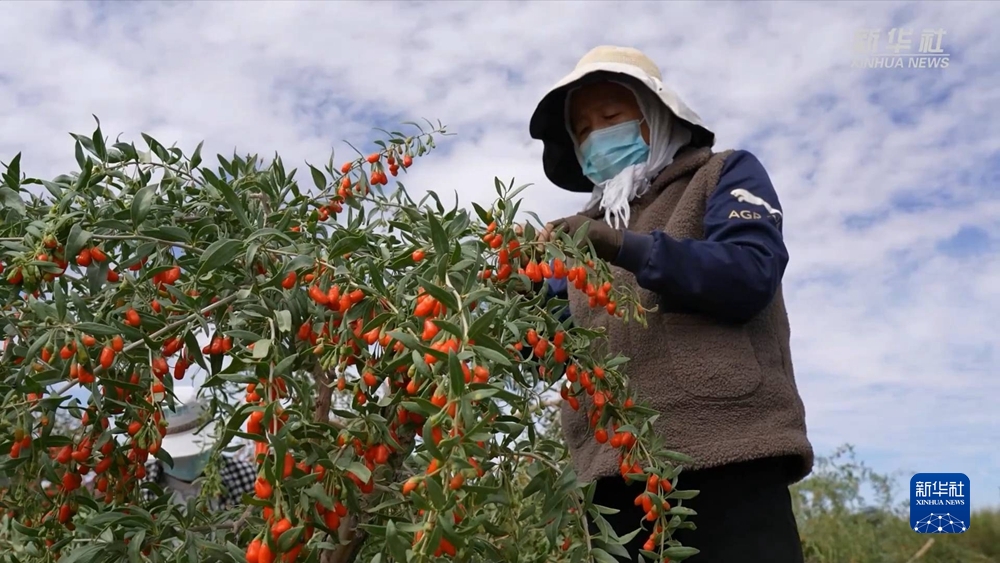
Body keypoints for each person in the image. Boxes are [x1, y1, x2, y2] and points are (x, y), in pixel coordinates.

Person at [527, 45, 813, 562]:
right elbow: (547, 350)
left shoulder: (722, 175)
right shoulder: (581, 235)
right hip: (611, 483)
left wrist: (622, 246)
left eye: (610, 116)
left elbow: (750, 274)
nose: (595, 136)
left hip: (730, 461)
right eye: (583, 129)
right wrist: (512, 296)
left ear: (655, 115)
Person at [139, 385, 256, 510]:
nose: (187, 457)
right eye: (179, 453)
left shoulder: (246, 476)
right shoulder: (140, 487)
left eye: (194, 451)